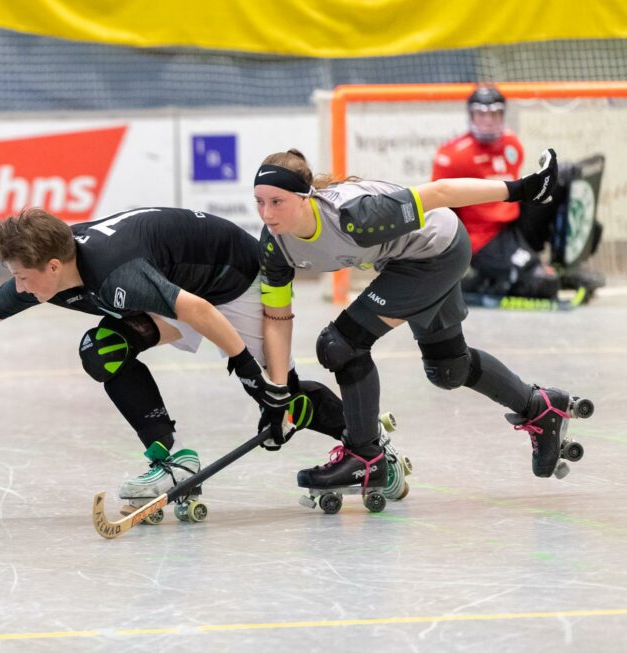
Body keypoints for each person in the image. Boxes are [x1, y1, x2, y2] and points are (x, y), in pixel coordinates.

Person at [0, 206, 412, 518]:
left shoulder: (115, 274)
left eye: (23, 278)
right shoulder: (50, 270)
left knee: (278, 397)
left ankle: (372, 452)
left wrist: (248, 368)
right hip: (178, 285)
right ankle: (170, 458)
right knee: (102, 348)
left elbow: (195, 310)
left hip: (232, 282)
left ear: (52, 266)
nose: (17, 287)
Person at [254, 146, 593, 503]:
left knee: (340, 344)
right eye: (259, 202)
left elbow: (441, 193)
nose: (266, 213)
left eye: (277, 202)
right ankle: (540, 407)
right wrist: (278, 393)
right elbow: (276, 319)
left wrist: (521, 188)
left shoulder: (354, 216)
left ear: (306, 197)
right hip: (404, 260)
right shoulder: (275, 246)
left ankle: (365, 456)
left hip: (438, 252)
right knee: (448, 369)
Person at [431, 85, 605, 301]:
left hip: (512, 224)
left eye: (494, 114)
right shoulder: (454, 156)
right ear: (471, 115)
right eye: (481, 114)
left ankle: (562, 265)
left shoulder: (511, 145)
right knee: (544, 285)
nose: (488, 120)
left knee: (562, 178)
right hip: (483, 238)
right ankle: (478, 282)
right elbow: (440, 209)